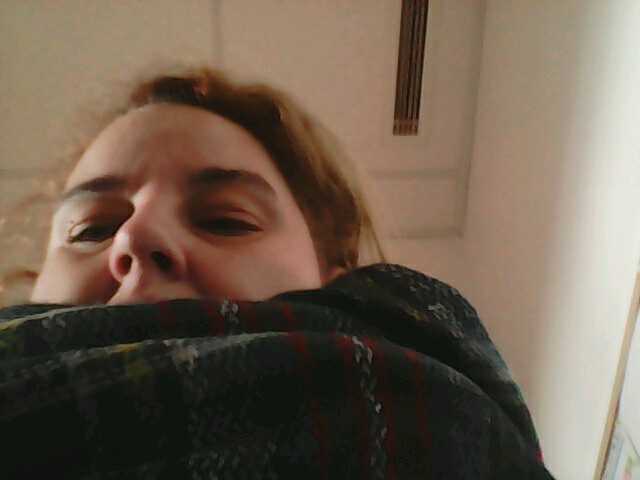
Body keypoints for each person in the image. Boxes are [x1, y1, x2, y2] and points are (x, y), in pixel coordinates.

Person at [0, 66, 555, 479]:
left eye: (226, 220)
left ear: (333, 281)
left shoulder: (441, 420)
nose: (135, 235)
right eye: (91, 229)